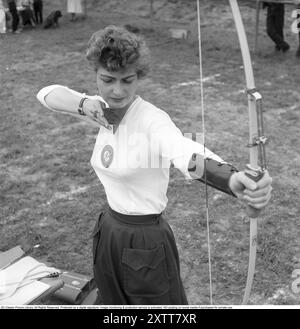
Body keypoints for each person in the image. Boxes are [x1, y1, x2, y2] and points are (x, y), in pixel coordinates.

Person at [36, 25, 273, 305]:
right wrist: (85, 103)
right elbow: (46, 94)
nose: (117, 90)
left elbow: (185, 152)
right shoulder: (101, 110)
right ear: (96, 74)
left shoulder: (152, 120)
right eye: (108, 79)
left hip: (145, 242)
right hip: (109, 232)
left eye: (127, 80)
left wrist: (233, 180)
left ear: (139, 76)